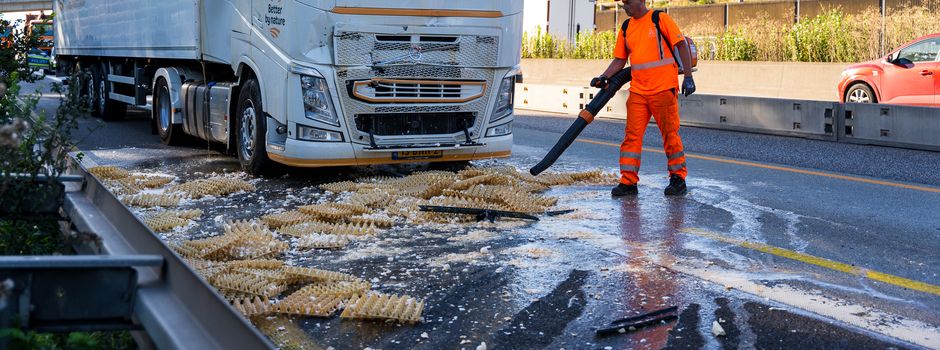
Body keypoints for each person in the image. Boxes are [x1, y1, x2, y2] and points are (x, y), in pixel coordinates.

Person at [592, 0, 696, 196]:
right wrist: (604, 77)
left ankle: (678, 179)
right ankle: (628, 182)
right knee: (631, 137)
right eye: (623, 3)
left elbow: (681, 45)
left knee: (670, 135)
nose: (625, 6)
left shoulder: (659, 19)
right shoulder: (626, 27)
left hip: (663, 88)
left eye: (628, 2)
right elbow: (620, 60)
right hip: (638, 91)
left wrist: (688, 77)